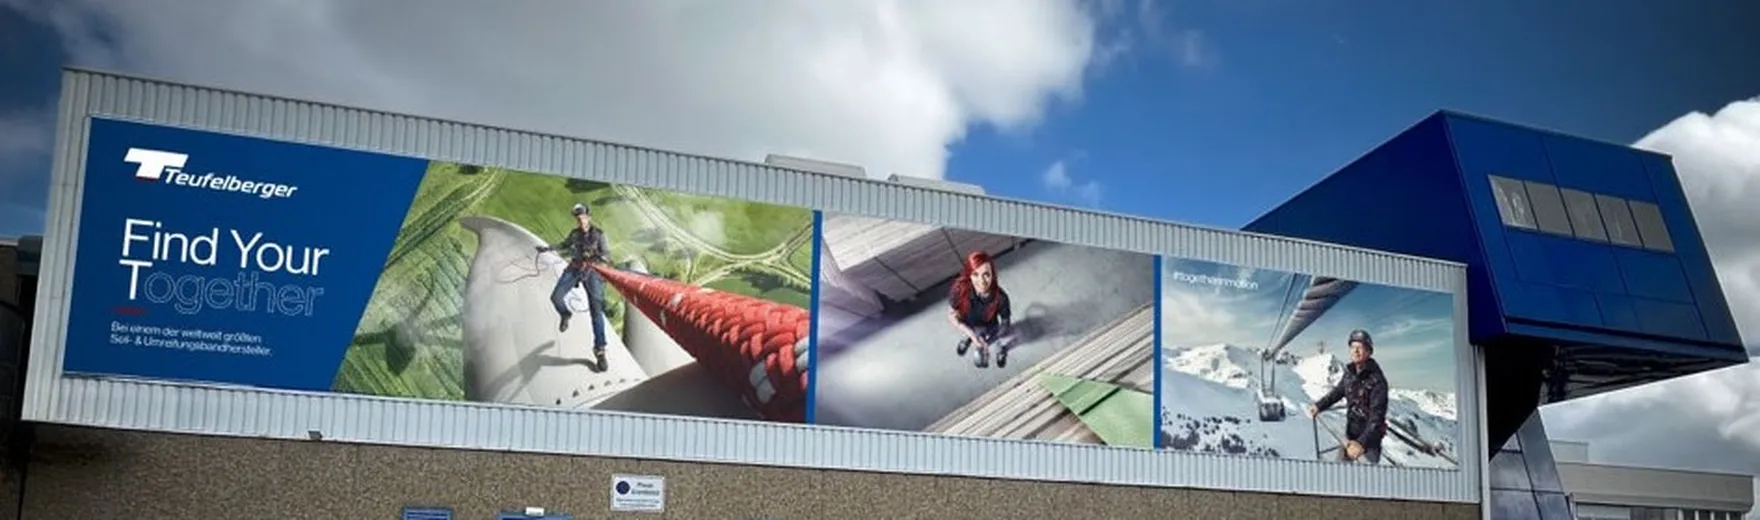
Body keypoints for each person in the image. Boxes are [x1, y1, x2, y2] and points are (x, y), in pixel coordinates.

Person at [536, 202, 611, 371]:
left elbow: (606, 255)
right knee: (556, 297)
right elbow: (564, 244)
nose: (580, 220)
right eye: (578, 218)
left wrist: (593, 258)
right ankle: (565, 314)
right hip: (575, 269)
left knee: (596, 311)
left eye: (583, 217)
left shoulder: (599, 235)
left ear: (588, 217)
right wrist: (547, 248)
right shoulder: (575, 234)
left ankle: (600, 350)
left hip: (592, 273)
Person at [1307, 329, 1390, 465]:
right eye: (1353, 347)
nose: (1356, 351)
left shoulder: (1377, 381)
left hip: (1368, 443)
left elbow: (1377, 417)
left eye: (1360, 347)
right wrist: (1318, 406)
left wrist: (1361, 444)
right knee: (1341, 476)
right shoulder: (1350, 374)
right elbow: (1337, 393)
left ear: (1368, 352)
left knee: (1366, 481)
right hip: (1350, 437)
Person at [946, 251, 1012, 368]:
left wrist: (988, 342)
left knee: (998, 342)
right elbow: (952, 315)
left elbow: (1005, 324)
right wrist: (971, 335)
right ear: (969, 274)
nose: (981, 282)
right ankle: (968, 339)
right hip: (968, 324)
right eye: (975, 274)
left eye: (986, 274)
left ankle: (1000, 351)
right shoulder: (958, 289)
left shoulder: (1001, 298)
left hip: (991, 328)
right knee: (971, 334)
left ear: (993, 275)